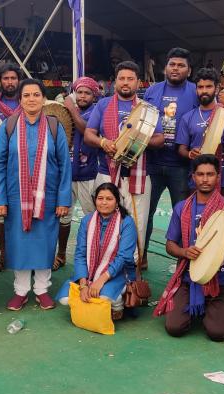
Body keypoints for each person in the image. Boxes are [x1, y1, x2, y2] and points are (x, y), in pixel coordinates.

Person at [0, 78, 72, 311]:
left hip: (47, 197)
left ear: (43, 98)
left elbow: (65, 165)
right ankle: (20, 290)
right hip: (16, 196)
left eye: (36, 95)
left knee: (45, 242)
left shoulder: (54, 126)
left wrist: (63, 199)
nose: (31, 99)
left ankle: (42, 289)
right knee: (19, 243)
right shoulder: (8, 126)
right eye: (26, 95)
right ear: (20, 99)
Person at [155, 155, 224, 341]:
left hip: (220, 279)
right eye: (200, 174)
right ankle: (200, 305)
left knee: (217, 333)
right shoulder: (182, 207)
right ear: (193, 177)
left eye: (210, 174)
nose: (205, 179)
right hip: (189, 277)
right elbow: (170, 245)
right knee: (174, 328)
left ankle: (221, 303)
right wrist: (184, 252)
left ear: (218, 177)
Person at [84, 61, 160, 273]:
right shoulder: (103, 104)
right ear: (114, 82)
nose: (125, 83)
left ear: (138, 83)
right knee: (106, 221)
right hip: (106, 175)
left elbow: (160, 138)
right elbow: (89, 134)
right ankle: (103, 269)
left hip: (139, 176)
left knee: (138, 225)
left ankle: (131, 272)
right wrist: (103, 143)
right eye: (122, 79)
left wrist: (138, 141)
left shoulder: (148, 110)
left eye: (130, 79)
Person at [144, 48, 199, 271]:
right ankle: (141, 255)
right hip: (153, 163)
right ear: (165, 67)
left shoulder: (197, 91)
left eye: (181, 65)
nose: (175, 68)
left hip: (182, 166)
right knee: (145, 213)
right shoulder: (151, 91)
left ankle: (183, 260)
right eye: (172, 64)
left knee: (183, 216)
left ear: (189, 70)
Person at [56, 182, 136, 321]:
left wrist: (101, 280)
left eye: (109, 199)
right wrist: (83, 283)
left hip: (117, 273)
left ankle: (118, 304)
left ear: (117, 202)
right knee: (65, 299)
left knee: (103, 296)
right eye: (100, 198)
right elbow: (80, 254)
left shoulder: (126, 222)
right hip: (89, 273)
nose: (104, 202)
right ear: (95, 200)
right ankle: (100, 300)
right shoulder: (87, 220)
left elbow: (123, 257)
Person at [53, 76, 101, 271]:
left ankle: (93, 256)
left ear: (93, 96)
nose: (82, 96)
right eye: (79, 92)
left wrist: (71, 108)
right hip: (66, 174)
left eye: (87, 93)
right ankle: (61, 254)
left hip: (88, 173)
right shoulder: (63, 111)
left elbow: (84, 129)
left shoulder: (95, 112)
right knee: (63, 216)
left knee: (92, 217)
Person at [175, 68, 224, 197]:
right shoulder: (188, 117)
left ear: (216, 88)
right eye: (200, 87)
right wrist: (189, 154)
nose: (204, 91)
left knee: (221, 214)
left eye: (209, 86)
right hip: (198, 174)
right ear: (196, 90)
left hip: (223, 173)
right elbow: (181, 148)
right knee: (198, 214)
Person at [0, 63, 24, 273]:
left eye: (13, 78)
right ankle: (4, 254)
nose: (10, 82)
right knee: (1, 211)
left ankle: (26, 254)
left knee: (25, 210)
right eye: (6, 79)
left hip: (26, 167)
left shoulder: (28, 102)